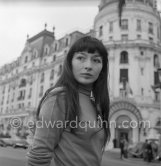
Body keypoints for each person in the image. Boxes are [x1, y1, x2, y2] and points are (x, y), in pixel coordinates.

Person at [26, 36, 110, 166]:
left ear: (102, 67)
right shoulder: (59, 98)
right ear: (70, 62)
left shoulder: (95, 103)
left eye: (96, 60)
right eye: (81, 58)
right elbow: (38, 156)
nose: (88, 66)